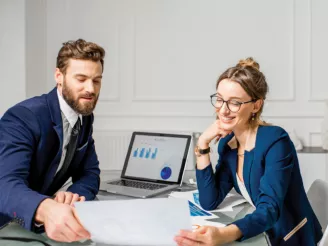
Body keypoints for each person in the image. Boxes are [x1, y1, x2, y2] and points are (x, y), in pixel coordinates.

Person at [174, 58, 323, 245]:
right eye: (219, 100)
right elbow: (209, 200)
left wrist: (223, 234)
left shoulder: (276, 141)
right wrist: (203, 144)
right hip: (262, 234)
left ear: (256, 105)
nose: (223, 110)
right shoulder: (228, 144)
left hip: (290, 238)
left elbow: (269, 209)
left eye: (234, 102)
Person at [0, 39, 105, 242]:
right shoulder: (23, 117)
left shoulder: (84, 116)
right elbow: (4, 184)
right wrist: (46, 208)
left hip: (36, 231)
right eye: (81, 79)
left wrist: (74, 195)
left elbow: (90, 172)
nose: (90, 89)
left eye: (96, 80)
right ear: (59, 76)